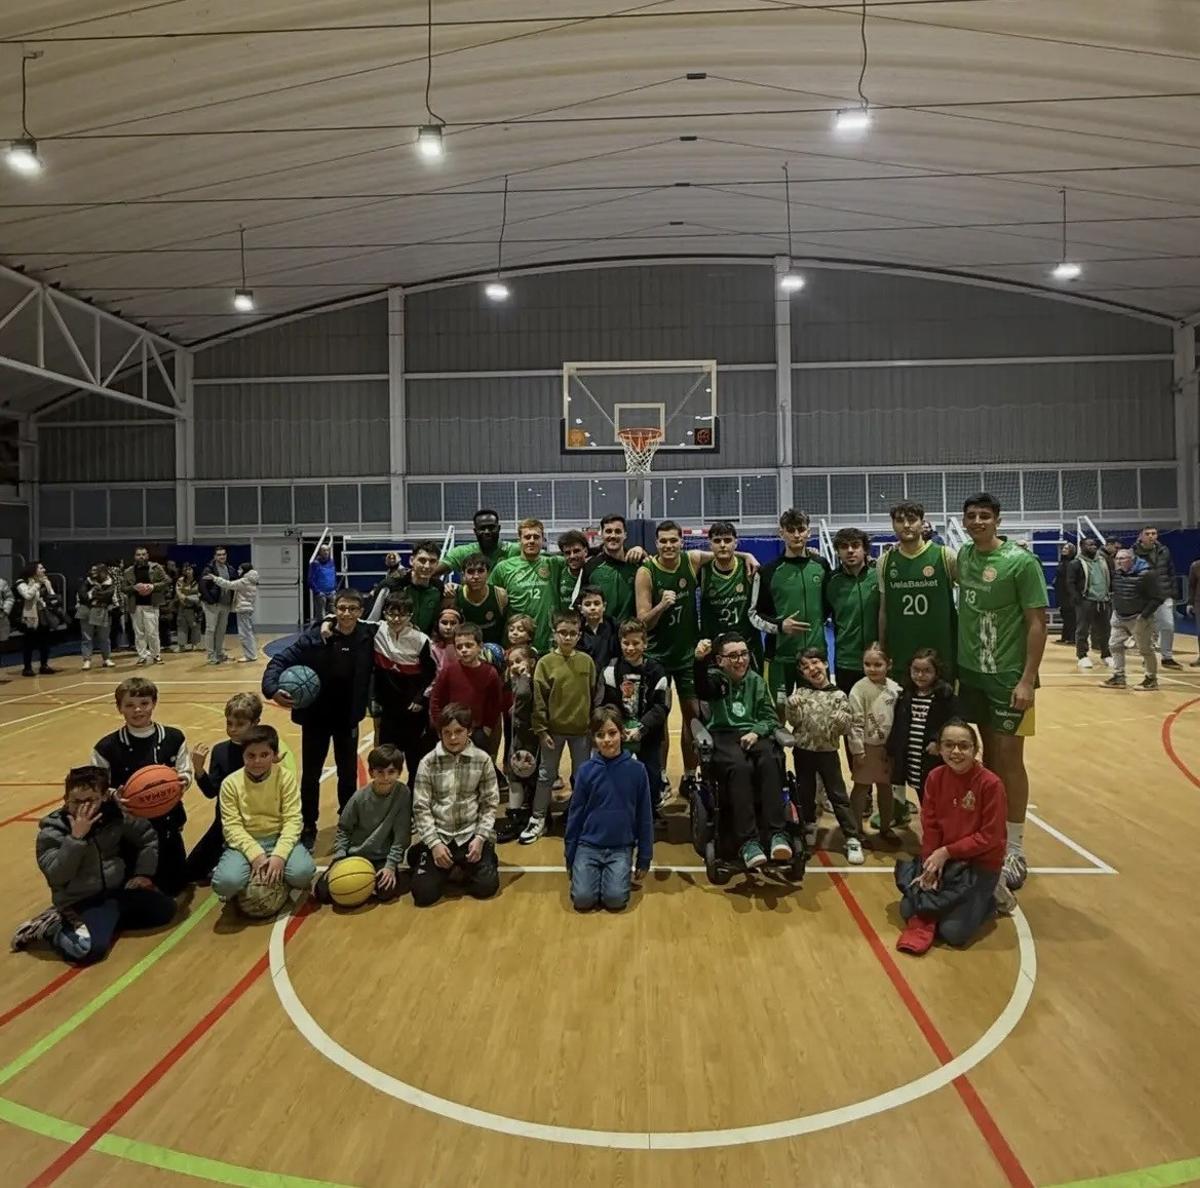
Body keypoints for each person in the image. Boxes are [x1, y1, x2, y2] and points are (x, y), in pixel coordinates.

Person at [955, 492, 1048, 891]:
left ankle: (1015, 848)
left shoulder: (1021, 562)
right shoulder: (963, 557)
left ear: (998, 520)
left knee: (1010, 759)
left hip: (1009, 676)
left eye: (984, 516)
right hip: (971, 673)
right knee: (987, 756)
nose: (977, 522)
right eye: (971, 516)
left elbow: (1038, 622)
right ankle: (989, 836)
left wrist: (1027, 679)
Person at [12, 765, 176, 962]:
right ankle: (52, 927)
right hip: (80, 901)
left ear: (104, 797)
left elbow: (146, 837)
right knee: (88, 950)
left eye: (90, 800)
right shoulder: (52, 832)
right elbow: (57, 876)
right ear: (65, 799)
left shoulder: (114, 817)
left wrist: (143, 873)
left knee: (166, 909)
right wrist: (75, 839)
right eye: (76, 802)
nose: (83, 807)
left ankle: (103, 923)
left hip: (116, 893)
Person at [263, 588, 375, 850]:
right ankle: (308, 825)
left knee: (348, 775)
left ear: (361, 612)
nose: (346, 614)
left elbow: (397, 625)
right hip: (316, 719)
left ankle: (347, 822)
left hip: (347, 719)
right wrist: (272, 689)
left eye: (353, 609)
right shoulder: (315, 637)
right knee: (311, 775)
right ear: (335, 609)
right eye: (342, 608)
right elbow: (279, 661)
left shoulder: (368, 636)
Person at [896, 720, 1013, 955]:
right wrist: (929, 866)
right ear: (939, 748)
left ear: (975, 749)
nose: (956, 752)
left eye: (963, 746)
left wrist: (947, 852)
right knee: (908, 910)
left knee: (953, 933)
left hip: (979, 863)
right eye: (949, 745)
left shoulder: (991, 784)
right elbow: (930, 825)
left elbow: (990, 836)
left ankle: (989, 899)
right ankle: (962, 903)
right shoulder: (935, 777)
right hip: (946, 860)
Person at [693, 632, 791, 870]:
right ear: (720, 660)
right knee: (740, 766)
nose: (740, 660)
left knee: (770, 759)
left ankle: (777, 834)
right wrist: (699, 662)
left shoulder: (756, 681)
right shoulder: (717, 680)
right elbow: (703, 689)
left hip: (753, 733)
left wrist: (757, 731)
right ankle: (748, 842)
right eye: (733, 656)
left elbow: (770, 717)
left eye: (744, 654)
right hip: (723, 735)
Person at [91, 676, 193, 895]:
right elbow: (97, 787)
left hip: (168, 820)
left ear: (154, 703)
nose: (138, 710)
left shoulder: (174, 738)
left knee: (175, 886)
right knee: (131, 890)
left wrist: (180, 782)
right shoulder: (106, 747)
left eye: (144, 703)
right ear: (119, 708)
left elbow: (185, 771)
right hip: (130, 828)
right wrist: (113, 795)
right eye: (129, 705)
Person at [211, 724, 316, 902]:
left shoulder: (285, 778)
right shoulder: (230, 784)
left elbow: (293, 820)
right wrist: (255, 855)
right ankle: (258, 874)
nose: (257, 761)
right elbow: (232, 827)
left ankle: (276, 876)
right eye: (251, 755)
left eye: (264, 755)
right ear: (242, 755)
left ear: (274, 755)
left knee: (303, 875)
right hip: (245, 842)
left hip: (279, 838)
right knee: (225, 884)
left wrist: (279, 855)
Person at [636, 519, 704, 789]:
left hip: (687, 656)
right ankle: (661, 776)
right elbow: (642, 621)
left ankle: (690, 775)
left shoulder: (692, 560)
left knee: (693, 717)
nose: (668, 545)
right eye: (663, 541)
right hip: (658, 658)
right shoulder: (646, 571)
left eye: (673, 540)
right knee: (659, 718)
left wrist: (747, 556)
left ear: (681, 541)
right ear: (656, 543)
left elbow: (724, 553)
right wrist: (662, 606)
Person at [410, 703, 500, 907]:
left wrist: (480, 838)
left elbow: (489, 804)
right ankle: (425, 853)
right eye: (447, 733)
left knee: (486, 887)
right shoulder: (427, 763)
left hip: (470, 836)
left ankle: (483, 856)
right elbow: (421, 808)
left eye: (458, 731)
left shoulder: (483, 760)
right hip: (440, 836)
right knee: (423, 895)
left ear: (469, 731)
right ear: (439, 733)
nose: (452, 738)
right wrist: (434, 844)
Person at [565, 706, 654, 911]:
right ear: (593, 739)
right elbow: (575, 817)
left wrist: (644, 857)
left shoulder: (637, 771)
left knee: (614, 899)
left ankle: (612, 878)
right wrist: (570, 856)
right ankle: (589, 877)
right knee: (583, 900)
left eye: (612, 733)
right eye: (600, 735)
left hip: (620, 848)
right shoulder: (585, 771)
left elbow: (645, 817)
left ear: (622, 733)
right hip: (588, 847)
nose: (607, 740)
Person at [521, 609, 597, 843]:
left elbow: (594, 694)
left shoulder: (587, 662)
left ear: (579, 635)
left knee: (582, 776)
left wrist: (593, 727)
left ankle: (581, 817)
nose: (567, 637)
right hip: (552, 732)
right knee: (546, 775)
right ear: (554, 633)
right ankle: (538, 818)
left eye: (573, 633)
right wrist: (541, 730)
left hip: (581, 732)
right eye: (563, 632)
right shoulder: (545, 663)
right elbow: (539, 699)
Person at [785, 648, 864, 863]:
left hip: (828, 753)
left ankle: (852, 837)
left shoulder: (839, 695)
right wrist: (791, 707)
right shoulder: (801, 693)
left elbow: (846, 728)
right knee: (805, 792)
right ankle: (809, 825)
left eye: (815, 662)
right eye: (805, 667)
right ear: (802, 673)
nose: (812, 668)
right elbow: (794, 721)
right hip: (803, 751)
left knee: (838, 795)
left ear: (826, 664)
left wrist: (843, 722)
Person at [313, 744, 412, 904]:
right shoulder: (359, 798)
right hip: (355, 854)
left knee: (386, 891)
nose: (386, 777)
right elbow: (344, 830)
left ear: (399, 773)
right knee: (323, 893)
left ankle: (395, 877)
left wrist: (391, 865)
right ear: (371, 772)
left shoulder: (403, 794)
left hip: (382, 858)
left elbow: (401, 835)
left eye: (391, 772)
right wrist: (339, 858)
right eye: (380, 772)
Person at [752, 508, 830, 701]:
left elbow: (829, 604)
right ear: (782, 533)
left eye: (801, 529)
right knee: (778, 710)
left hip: (815, 656)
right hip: (780, 657)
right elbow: (754, 614)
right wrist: (780, 626)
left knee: (817, 709)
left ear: (808, 532)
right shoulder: (768, 571)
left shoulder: (822, 565)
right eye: (791, 530)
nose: (796, 535)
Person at [186, 691, 265, 883]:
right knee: (189, 872)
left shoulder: (263, 751)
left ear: (255, 723)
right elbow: (211, 791)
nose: (233, 729)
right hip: (226, 821)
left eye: (240, 724)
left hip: (259, 821)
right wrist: (199, 770)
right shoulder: (220, 750)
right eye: (229, 723)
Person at [878, 501, 957, 685]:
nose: (906, 525)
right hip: (901, 650)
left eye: (912, 520)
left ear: (922, 523)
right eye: (900, 520)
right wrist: (882, 647)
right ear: (893, 524)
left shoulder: (945, 555)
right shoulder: (885, 561)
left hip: (941, 650)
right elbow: (883, 609)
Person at [362, 592, 437, 779]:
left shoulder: (421, 640)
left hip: (413, 711)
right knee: (387, 760)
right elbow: (348, 620)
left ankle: (414, 794)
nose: (396, 619)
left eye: (402, 614)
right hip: (388, 711)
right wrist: (327, 621)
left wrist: (420, 699)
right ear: (384, 613)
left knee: (415, 759)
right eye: (392, 614)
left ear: (410, 615)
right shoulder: (376, 631)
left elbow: (432, 675)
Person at [599, 620, 671, 811]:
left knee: (651, 777)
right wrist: (619, 728)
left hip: (648, 735)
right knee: (617, 776)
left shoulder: (657, 671)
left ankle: (651, 809)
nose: (630, 648)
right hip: (620, 734)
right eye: (626, 643)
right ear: (620, 643)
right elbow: (609, 704)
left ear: (645, 644)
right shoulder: (611, 670)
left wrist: (642, 728)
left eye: (636, 643)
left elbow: (661, 706)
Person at [887, 649, 960, 806]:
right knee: (923, 799)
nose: (920, 675)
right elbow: (898, 726)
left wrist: (938, 740)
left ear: (936, 672)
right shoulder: (905, 696)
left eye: (927, 671)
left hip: (934, 760)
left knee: (938, 800)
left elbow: (954, 723)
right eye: (916, 670)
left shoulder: (945, 697)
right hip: (913, 759)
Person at [848, 642, 903, 844]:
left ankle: (886, 827)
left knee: (886, 788)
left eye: (878, 664)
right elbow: (854, 722)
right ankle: (855, 830)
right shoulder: (858, 689)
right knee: (861, 787)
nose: (872, 669)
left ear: (889, 664)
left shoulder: (896, 689)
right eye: (867, 664)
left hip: (887, 750)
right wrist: (858, 750)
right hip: (867, 747)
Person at [491, 518, 566, 655]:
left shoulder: (555, 564)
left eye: (536, 537)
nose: (532, 540)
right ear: (519, 540)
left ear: (543, 540)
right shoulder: (503, 568)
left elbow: (579, 561)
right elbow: (487, 595)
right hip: (517, 645)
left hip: (548, 643)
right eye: (527, 537)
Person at [698, 520, 762, 671]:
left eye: (727, 540)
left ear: (736, 543)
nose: (722, 545)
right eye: (717, 541)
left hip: (747, 645)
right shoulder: (702, 571)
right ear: (710, 544)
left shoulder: (749, 569)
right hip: (715, 648)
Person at [429, 623, 504, 752]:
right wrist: (440, 727)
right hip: (451, 730)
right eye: (459, 647)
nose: (464, 650)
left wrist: (487, 729)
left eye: (469, 645)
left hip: (477, 732)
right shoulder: (448, 670)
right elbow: (436, 700)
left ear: (480, 646)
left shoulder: (490, 673)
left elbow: (495, 704)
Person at [824, 526, 880, 694]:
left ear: (865, 549)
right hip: (845, 662)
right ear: (838, 552)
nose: (850, 550)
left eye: (855, 545)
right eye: (844, 546)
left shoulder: (878, 576)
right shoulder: (830, 581)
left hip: (877, 659)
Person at [1102, 549, 1162, 691]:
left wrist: (1144, 616)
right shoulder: (1117, 574)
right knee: (1114, 645)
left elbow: (1158, 598)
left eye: (1122, 558)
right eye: (1117, 558)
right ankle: (1119, 676)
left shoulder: (1146, 574)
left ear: (1132, 559)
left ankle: (1151, 679)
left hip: (1138, 618)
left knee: (1145, 649)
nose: (1118, 561)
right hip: (1119, 616)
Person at [581, 514, 645, 623]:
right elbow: (581, 602)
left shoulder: (638, 562)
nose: (613, 535)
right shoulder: (590, 567)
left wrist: (642, 551)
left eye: (618, 531)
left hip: (631, 631)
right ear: (602, 534)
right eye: (608, 531)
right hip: (602, 631)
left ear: (625, 535)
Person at [1133, 526, 1180, 669]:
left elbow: (1170, 571)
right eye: (1147, 534)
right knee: (1147, 628)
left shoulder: (1164, 550)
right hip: (1144, 597)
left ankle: (1167, 657)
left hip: (1163, 594)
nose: (1151, 536)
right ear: (1141, 536)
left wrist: (1173, 592)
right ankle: (1147, 656)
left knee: (1168, 625)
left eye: (1153, 533)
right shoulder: (1133, 552)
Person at [121, 546, 171, 666]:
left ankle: (156, 655)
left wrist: (153, 587)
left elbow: (167, 581)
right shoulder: (128, 571)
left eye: (143, 554)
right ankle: (142, 656)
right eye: (138, 555)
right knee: (139, 633)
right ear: (135, 556)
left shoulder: (156, 567)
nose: (141, 557)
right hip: (135, 605)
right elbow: (123, 588)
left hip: (151, 604)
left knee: (153, 632)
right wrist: (134, 587)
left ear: (147, 556)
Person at [436, 508, 522, 576]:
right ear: (475, 531)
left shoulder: (515, 550)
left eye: (491, 527)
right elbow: (432, 573)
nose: (487, 532)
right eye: (482, 528)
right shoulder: (462, 553)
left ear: (499, 529)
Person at [1069, 537, 1112, 671]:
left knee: (1105, 630)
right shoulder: (1076, 563)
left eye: (1094, 544)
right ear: (1081, 547)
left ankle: (1106, 654)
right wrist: (1077, 598)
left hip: (1103, 600)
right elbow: (1070, 582)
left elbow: (1110, 577)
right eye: (1089, 544)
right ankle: (1082, 655)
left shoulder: (1103, 561)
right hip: (1086, 600)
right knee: (1082, 630)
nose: (1093, 546)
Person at [391, 540, 449, 634]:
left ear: (437, 564)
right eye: (422, 560)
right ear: (411, 560)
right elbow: (372, 620)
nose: (427, 566)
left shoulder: (439, 588)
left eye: (432, 561)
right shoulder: (392, 586)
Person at [16, 561, 60, 676]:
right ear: (33, 570)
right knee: (29, 642)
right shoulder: (22, 582)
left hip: (43, 614)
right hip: (29, 615)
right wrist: (37, 584)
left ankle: (44, 665)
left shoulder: (45, 581)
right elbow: (27, 596)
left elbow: (53, 598)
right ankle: (27, 668)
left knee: (44, 642)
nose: (44, 570)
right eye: (41, 568)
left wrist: (48, 586)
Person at [209, 561, 259, 662]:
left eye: (240, 569)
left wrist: (215, 578)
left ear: (245, 570)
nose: (238, 571)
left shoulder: (245, 581)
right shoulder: (251, 579)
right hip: (247, 609)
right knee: (248, 633)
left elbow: (229, 584)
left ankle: (250, 656)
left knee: (244, 634)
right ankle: (252, 654)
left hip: (243, 609)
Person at [454, 552, 508, 645]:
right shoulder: (456, 595)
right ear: (463, 575)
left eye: (481, 571)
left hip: (495, 649)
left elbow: (507, 626)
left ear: (488, 573)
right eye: (470, 571)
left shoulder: (500, 595)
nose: (476, 576)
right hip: (465, 649)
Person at [77, 563, 118, 671]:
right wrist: (92, 593)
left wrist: (94, 595)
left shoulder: (110, 583)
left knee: (104, 637)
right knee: (86, 637)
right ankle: (87, 660)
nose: (93, 573)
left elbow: (107, 596)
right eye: (92, 570)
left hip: (102, 611)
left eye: (96, 571)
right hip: (86, 610)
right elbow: (83, 596)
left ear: (104, 572)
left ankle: (106, 658)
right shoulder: (86, 582)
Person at [200, 546, 235, 664]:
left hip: (226, 604)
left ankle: (219, 653)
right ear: (215, 556)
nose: (222, 556)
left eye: (223, 554)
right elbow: (202, 587)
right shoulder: (208, 569)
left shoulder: (230, 569)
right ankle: (211, 656)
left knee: (221, 630)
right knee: (211, 629)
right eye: (219, 555)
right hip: (212, 605)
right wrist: (210, 600)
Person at [577, 584, 618, 670]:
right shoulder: (576, 630)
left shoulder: (615, 627)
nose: (593, 608)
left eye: (597, 603)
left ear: (604, 606)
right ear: (581, 609)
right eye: (587, 604)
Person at [556, 528, 592, 608]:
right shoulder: (558, 573)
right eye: (567, 553)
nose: (572, 556)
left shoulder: (594, 572)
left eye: (576, 551)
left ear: (585, 551)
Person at [175, 563, 204, 652]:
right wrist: (182, 598)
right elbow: (178, 592)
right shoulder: (180, 580)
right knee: (181, 626)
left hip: (195, 608)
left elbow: (199, 594)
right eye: (186, 569)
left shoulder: (199, 581)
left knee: (195, 626)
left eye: (190, 569)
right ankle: (181, 645)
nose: (188, 571)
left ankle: (195, 644)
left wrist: (187, 598)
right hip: (183, 607)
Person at [430, 605, 464, 673]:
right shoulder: (431, 648)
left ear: (460, 625)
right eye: (444, 623)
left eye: (453, 623)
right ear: (437, 624)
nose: (448, 627)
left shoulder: (465, 647)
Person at [308, 543, 338, 618]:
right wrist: (317, 592)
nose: (326, 552)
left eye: (327, 550)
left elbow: (333, 575)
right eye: (324, 550)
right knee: (321, 615)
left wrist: (335, 588)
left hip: (331, 592)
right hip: (321, 593)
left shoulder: (331, 562)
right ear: (320, 552)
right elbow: (310, 579)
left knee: (335, 614)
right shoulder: (315, 564)